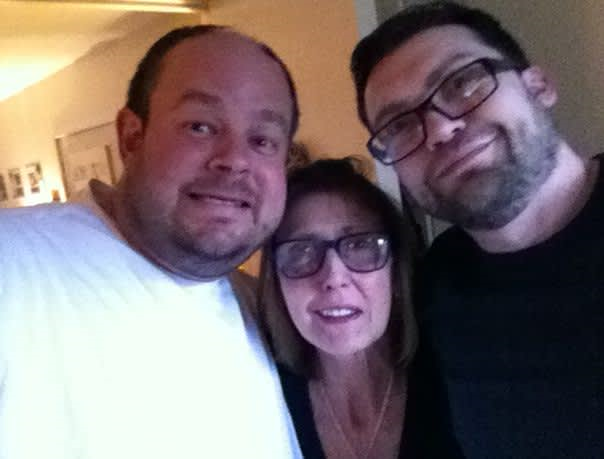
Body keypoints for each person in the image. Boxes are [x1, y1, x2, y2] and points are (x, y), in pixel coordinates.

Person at [0, 25, 303, 458]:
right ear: (131, 136)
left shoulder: (270, 312)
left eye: (263, 140)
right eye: (200, 126)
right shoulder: (14, 264)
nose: (235, 159)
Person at [351, 1, 604, 458]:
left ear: (538, 86)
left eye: (462, 82)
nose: (440, 130)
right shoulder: (432, 289)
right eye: (400, 125)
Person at [259, 157, 451, 458]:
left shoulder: (456, 376)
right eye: (302, 250)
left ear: (395, 271)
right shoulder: (260, 398)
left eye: (361, 245)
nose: (334, 278)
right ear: (277, 282)